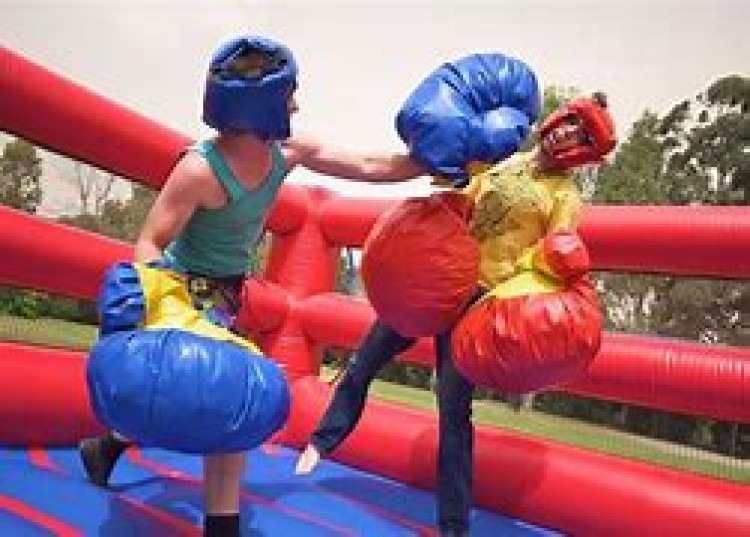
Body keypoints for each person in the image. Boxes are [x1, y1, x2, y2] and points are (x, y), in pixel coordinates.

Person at [78, 34, 424, 537]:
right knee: (225, 402)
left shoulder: (287, 151)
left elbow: (368, 165)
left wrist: (428, 160)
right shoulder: (199, 168)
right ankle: (222, 525)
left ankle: (105, 447)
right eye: (289, 96)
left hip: (225, 295)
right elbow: (151, 240)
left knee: (210, 395)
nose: (296, 106)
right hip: (178, 290)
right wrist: (155, 309)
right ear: (262, 103)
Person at [295, 85, 616, 537]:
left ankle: (453, 525)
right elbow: (463, 198)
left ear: (584, 150)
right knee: (365, 359)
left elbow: (551, 252)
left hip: (478, 303)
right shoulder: (507, 160)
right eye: (569, 123)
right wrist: (452, 179)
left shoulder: (563, 197)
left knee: (453, 413)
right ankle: (322, 441)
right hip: (438, 279)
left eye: (579, 133)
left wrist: (548, 272)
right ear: (556, 120)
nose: (566, 134)